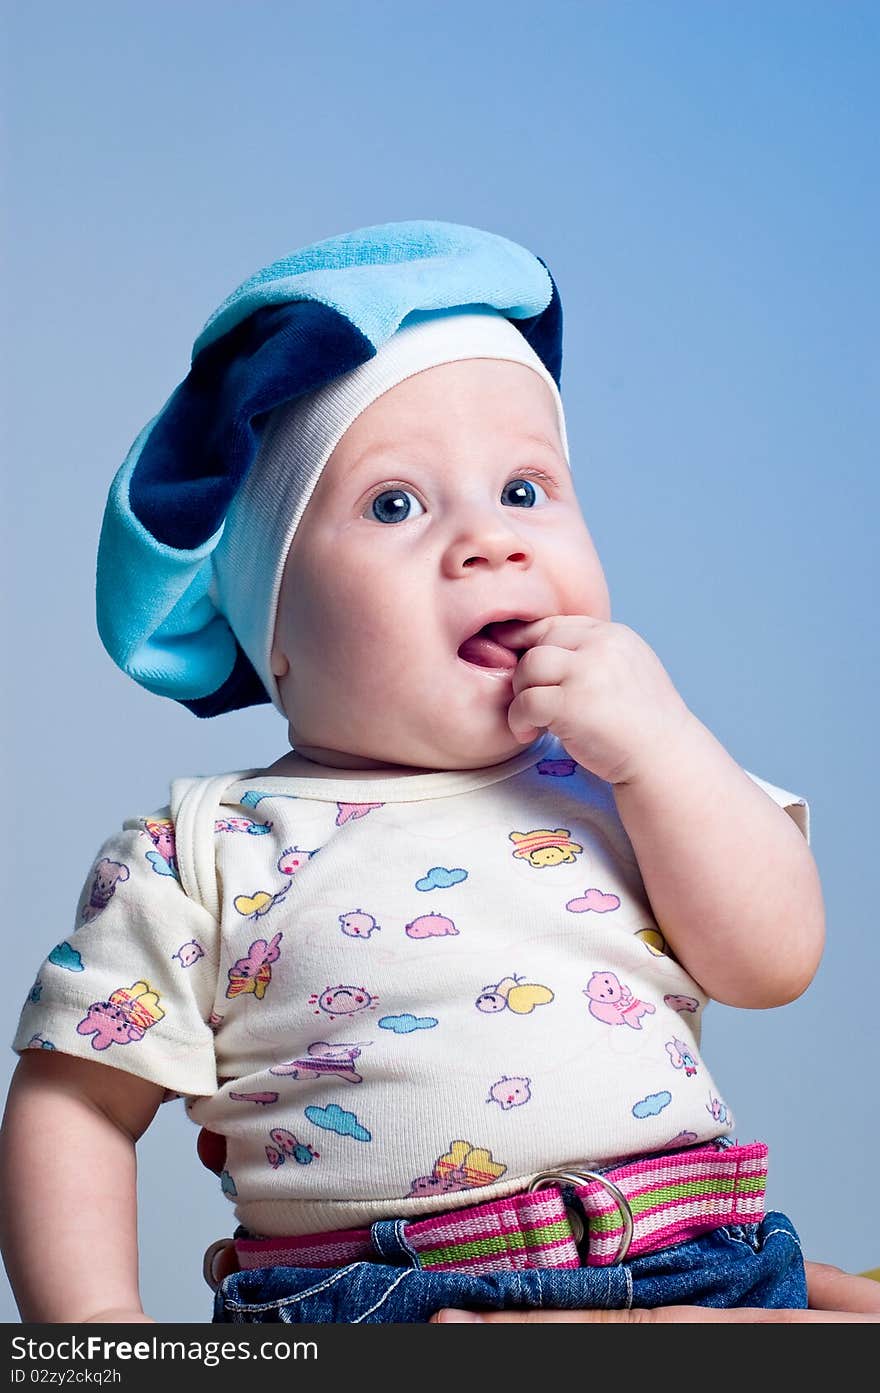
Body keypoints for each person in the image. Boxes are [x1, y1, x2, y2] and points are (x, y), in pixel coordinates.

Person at [0, 220, 876, 1326]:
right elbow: (74, 1098)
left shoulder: (628, 773)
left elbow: (771, 962)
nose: (488, 542)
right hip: (373, 1297)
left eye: (524, 490)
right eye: (395, 505)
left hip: (699, 1258)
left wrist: (662, 742)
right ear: (273, 633)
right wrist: (99, 1340)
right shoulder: (207, 849)